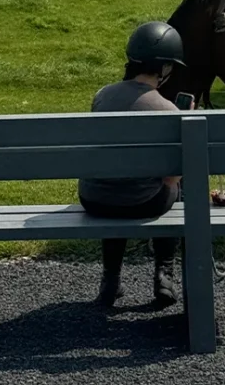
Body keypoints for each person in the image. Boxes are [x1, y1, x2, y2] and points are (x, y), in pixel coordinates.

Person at [78, 20, 190, 308]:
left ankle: (110, 279)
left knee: (116, 180)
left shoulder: (102, 96)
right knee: (179, 183)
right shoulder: (168, 110)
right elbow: (172, 177)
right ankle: (164, 274)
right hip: (143, 203)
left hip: (94, 199)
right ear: (165, 68)